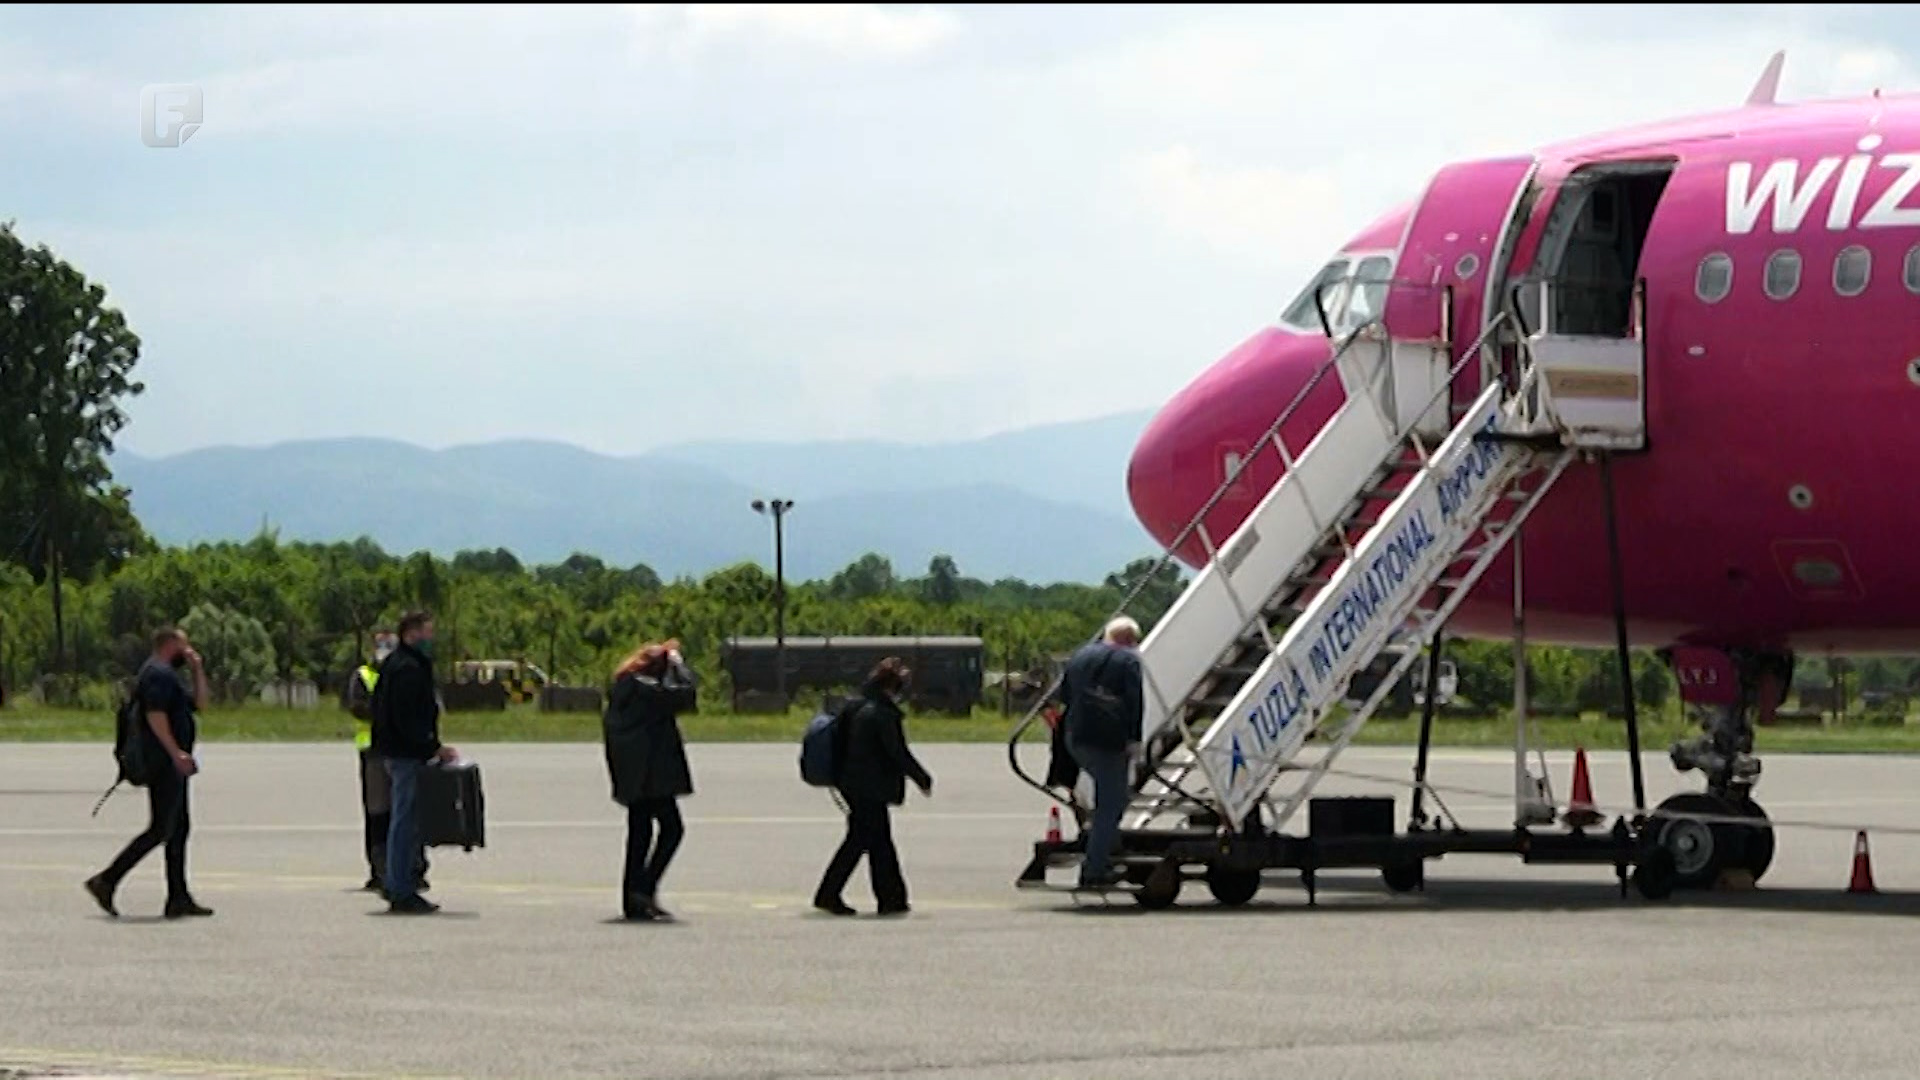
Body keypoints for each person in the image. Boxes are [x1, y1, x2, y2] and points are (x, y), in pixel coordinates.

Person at [84, 626, 214, 920]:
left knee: (178, 829)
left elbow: (201, 704)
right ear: (170, 645)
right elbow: (155, 716)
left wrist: (197, 670)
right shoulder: (156, 673)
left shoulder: (170, 675)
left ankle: (178, 897)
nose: (188, 651)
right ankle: (107, 880)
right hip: (163, 763)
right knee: (161, 829)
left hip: (172, 764)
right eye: (184, 646)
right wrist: (175, 752)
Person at [813, 658, 932, 918]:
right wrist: (921, 778)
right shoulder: (883, 714)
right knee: (862, 841)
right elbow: (897, 752)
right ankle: (831, 894)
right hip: (870, 787)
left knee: (877, 842)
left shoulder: (854, 706)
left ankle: (891, 898)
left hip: (850, 784)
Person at [601, 638, 698, 922]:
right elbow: (686, 696)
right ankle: (644, 889)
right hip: (651, 774)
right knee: (672, 829)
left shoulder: (624, 687)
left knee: (640, 834)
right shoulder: (645, 689)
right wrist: (680, 668)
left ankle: (634, 898)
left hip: (634, 773)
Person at [370, 611, 458, 915]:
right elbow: (408, 717)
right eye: (426, 632)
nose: (430, 639)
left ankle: (401, 881)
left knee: (406, 820)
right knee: (405, 822)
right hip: (406, 754)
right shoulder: (407, 669)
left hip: (399, 752)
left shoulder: (398, 665)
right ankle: (400, 887)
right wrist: (432, 747)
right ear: (411, 633)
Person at [1054, 616, 1145, 889]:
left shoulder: (1080, 656)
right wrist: (1135, 739)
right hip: (1107, 741)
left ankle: (1104, 847)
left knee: (1106, 797)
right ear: (1130, 640)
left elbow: (1063, 695)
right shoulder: (1128, 661)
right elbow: (1135, 702)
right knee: (1112, 803)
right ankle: (1095, 869)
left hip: (1076, 738)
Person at [345, 631, 427, 895]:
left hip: (401, 748)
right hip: (373, 751)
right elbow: (357, 706)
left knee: (407, 812)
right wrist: (384, 711)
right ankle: (380, 869)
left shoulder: (409, 670)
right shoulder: (363, 675)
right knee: (378, 812)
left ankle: (412, 867)